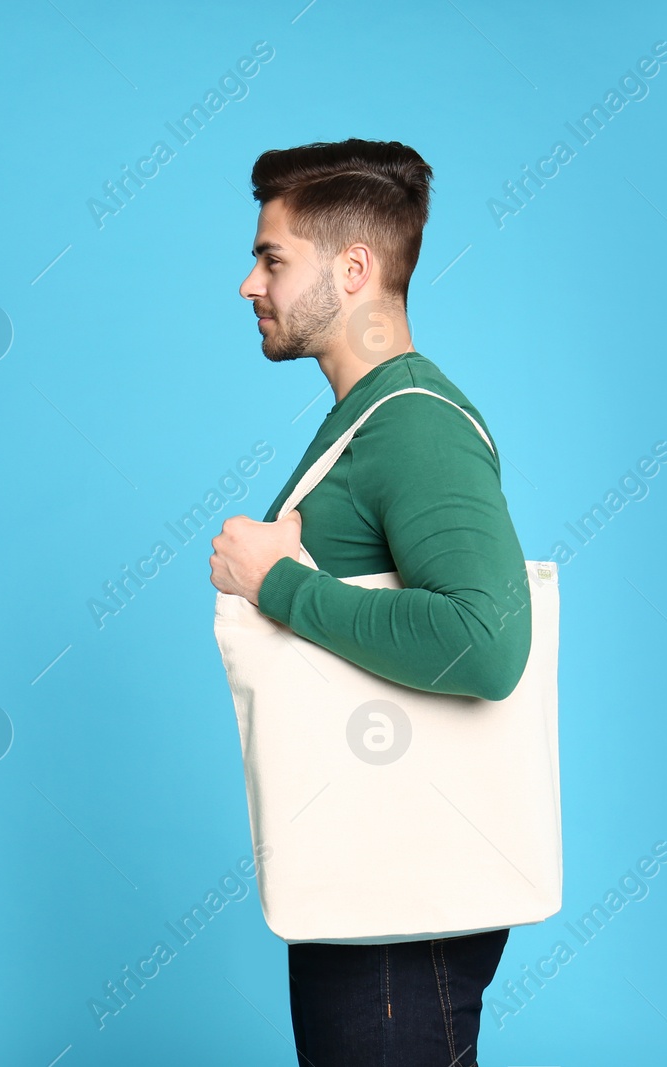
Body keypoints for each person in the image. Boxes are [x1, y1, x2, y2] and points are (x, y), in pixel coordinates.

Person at [208, 138, 533, 1066]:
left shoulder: (415, 422)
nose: (249, 283)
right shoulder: (368, 416)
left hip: (399, 908)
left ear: (352, 270)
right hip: (367, 884)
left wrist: (277, 584)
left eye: (272, 258)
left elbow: (485, 639)